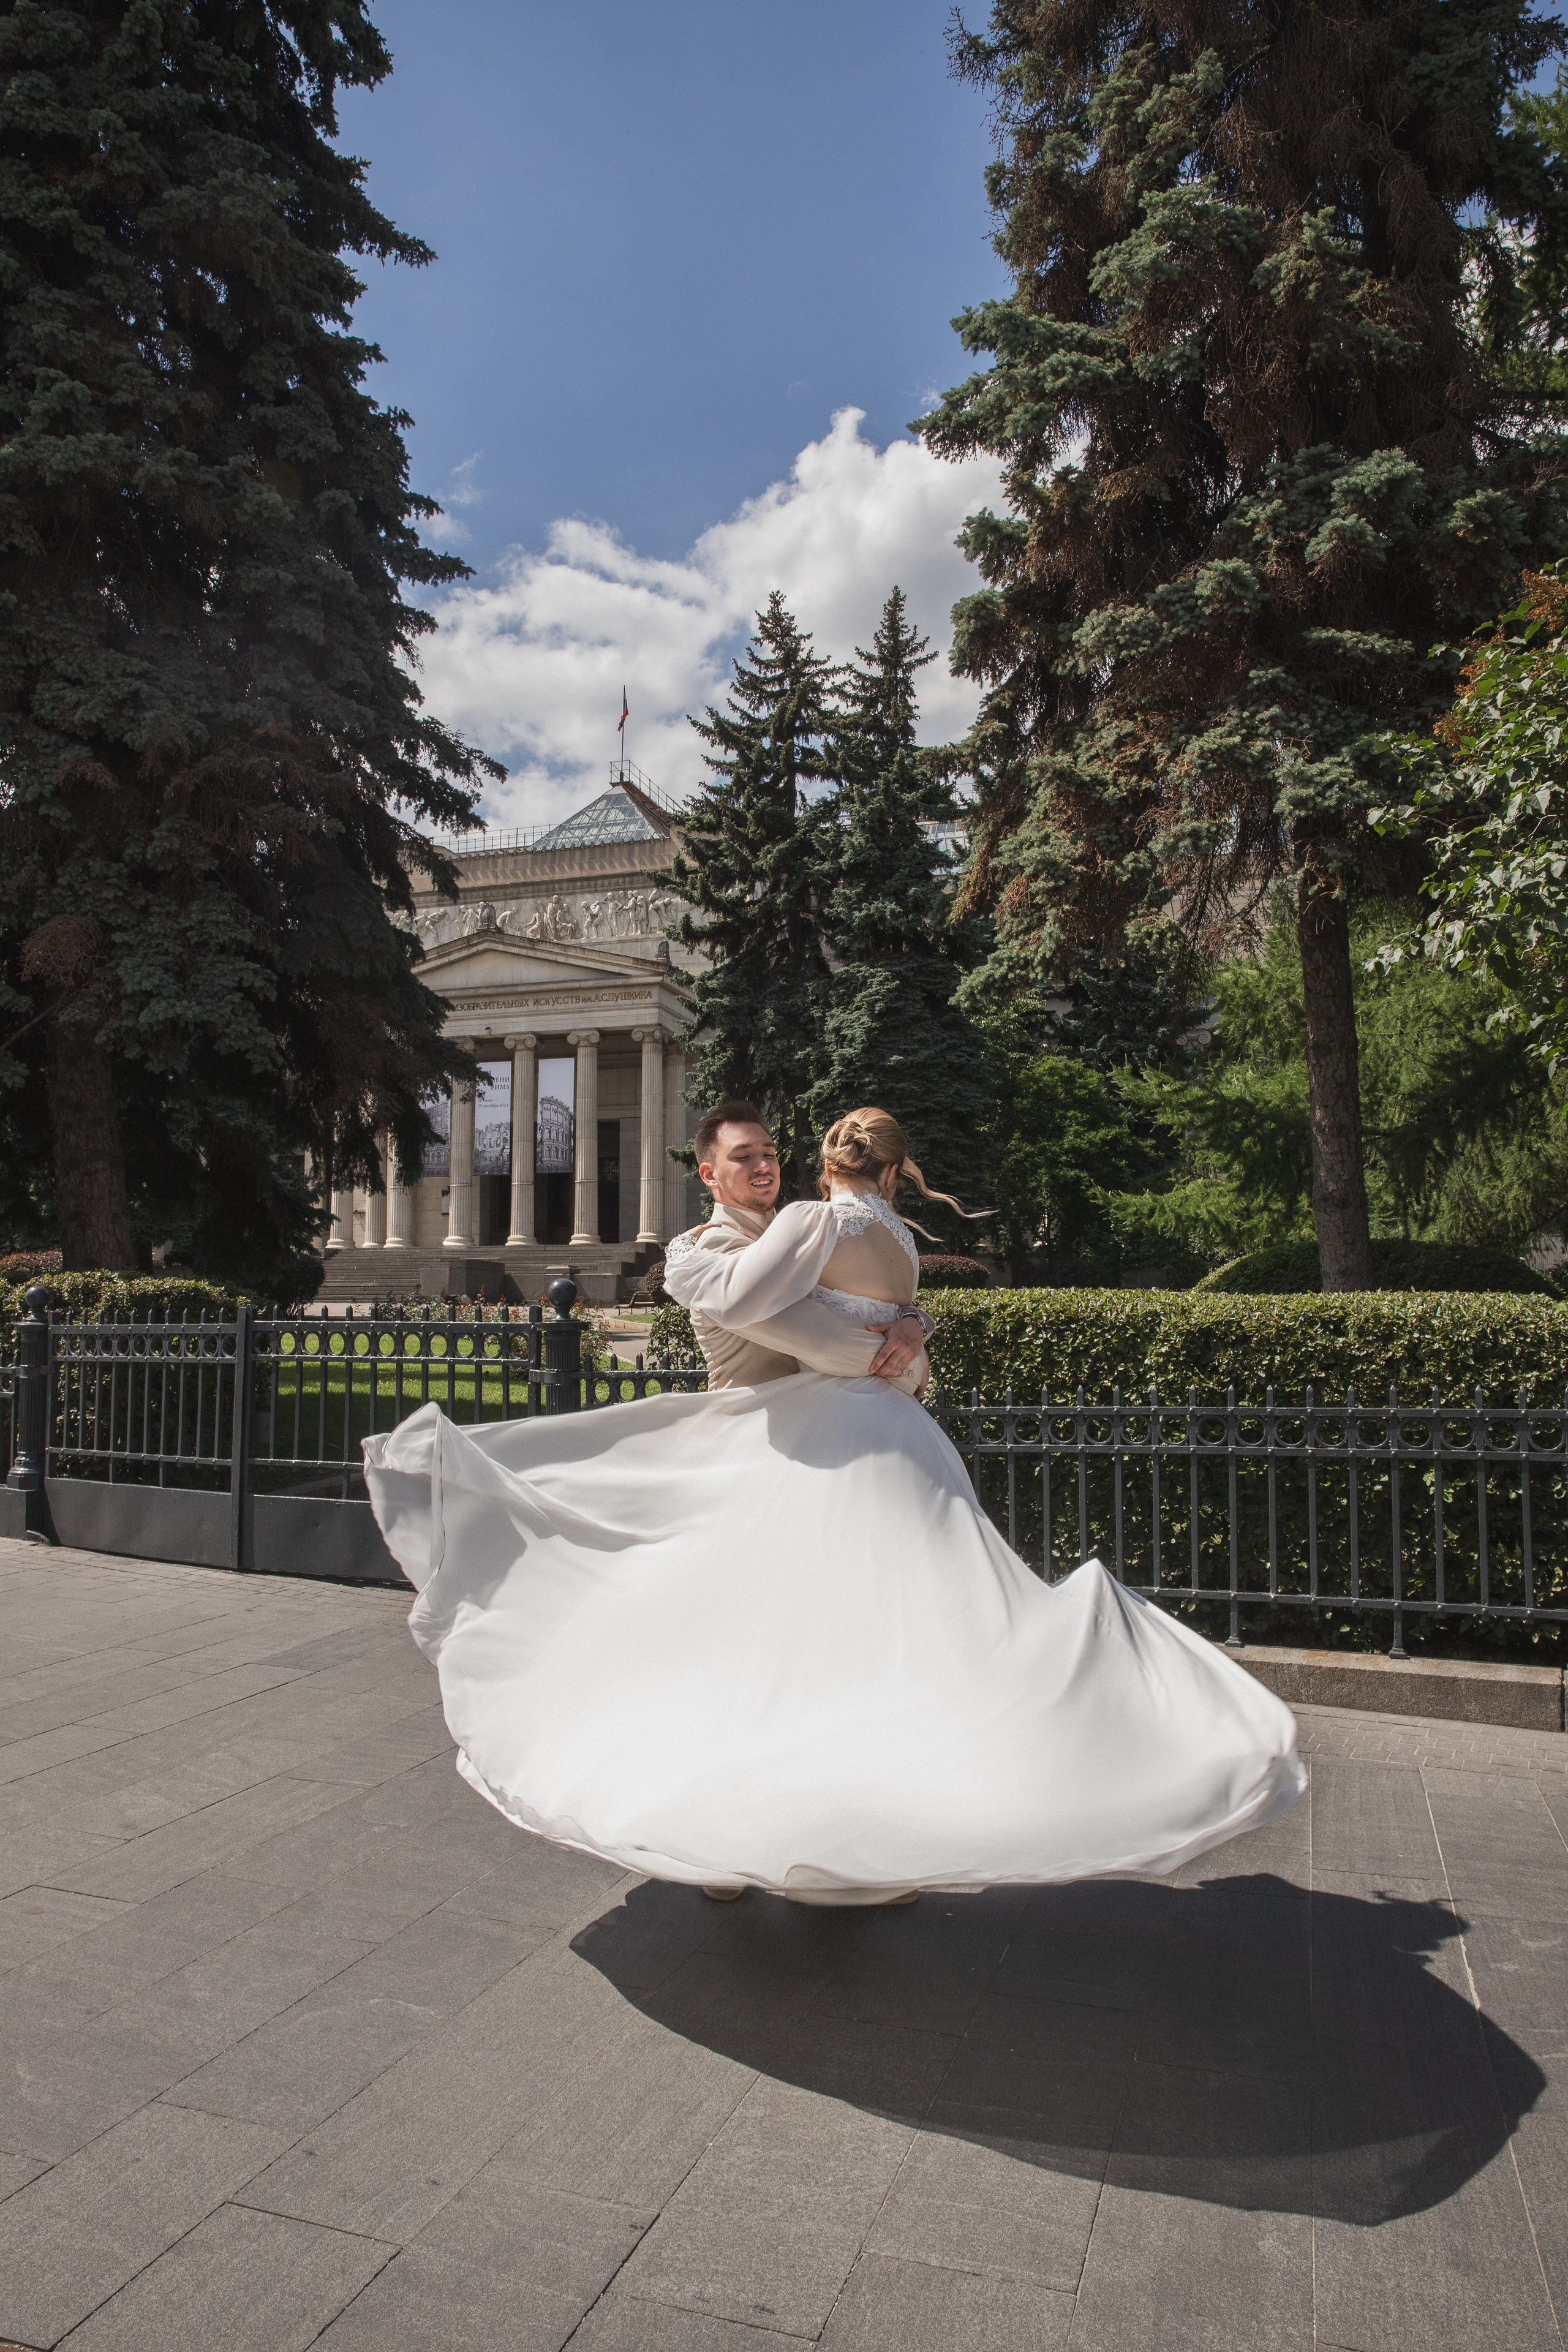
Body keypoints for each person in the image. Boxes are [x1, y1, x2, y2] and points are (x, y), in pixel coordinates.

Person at [363, 1104, 1304, 1910]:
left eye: (771, 1151)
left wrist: (907, 1342)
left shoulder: (811, 1235)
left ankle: (817, 1841)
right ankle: (714, 1837)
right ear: (707, 1171)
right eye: (743, 1155)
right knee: (729, 1662)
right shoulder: (707, 1249)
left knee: (827, 1663)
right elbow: (807, 1336)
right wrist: (893, 1345)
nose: (763, 1164)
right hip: (746, 1459)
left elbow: (876, 1343)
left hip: (823, 1466)